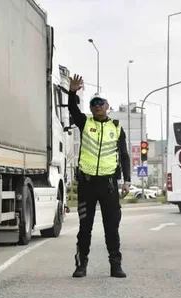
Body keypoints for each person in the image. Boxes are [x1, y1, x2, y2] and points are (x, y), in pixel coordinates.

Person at [67, 74, 132, 278]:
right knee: (84, 228)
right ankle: (81, 264)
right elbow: (72, 109)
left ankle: (115, 264)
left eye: (100, 103)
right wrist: (72, 92)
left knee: (111, 228)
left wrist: (127, 181)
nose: (97, 106)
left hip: (109, 185)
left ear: (107, 105)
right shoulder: (85, 123)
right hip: (87, 184)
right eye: (94, 103)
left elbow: (124, 155)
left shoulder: (116, 128)